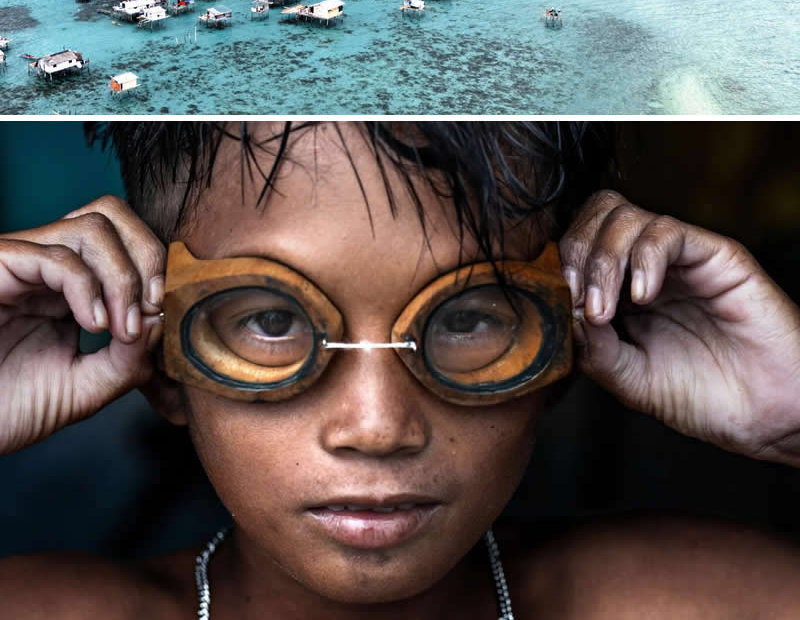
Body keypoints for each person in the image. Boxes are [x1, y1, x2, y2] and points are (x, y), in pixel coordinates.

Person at [1, 120, 799, 619]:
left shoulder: (717, 600)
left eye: (467, 318)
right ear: (165, 364)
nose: (378, 428)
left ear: (560, 348)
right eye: (273, 321)